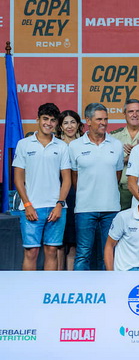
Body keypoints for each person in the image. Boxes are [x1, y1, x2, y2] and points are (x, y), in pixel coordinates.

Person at [13, 103, 71, 271]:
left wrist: (59, 204)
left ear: (57, 123)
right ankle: (28, 288)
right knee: (31, 252)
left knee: (52, 251)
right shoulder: (24, 144)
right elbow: (18, 179)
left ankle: (48, 287)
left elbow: (67, 180)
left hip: (56, 208)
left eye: (53, 120)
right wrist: (27, 204)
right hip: (31, 207)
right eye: (45, 119)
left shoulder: (62, 146)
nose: (48, 123)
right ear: (37, 119)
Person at [69, 103, 124, 270]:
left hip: (111, 209)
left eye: (106, 119)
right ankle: (80, 285)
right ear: (88, 121)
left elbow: (117, 175)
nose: (104, 123)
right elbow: (75, 178)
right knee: (83, 253)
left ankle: (107, 286)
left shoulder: (116, 145)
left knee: (107, 253)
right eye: (99, 119)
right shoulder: (75, 146)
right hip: (85, 209)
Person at [56, 109, 83, 270]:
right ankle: (58, 278)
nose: (69, 126)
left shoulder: (84, 144)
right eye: (65, 123)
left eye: (73, 122)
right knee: (58, 244)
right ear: (60, 126)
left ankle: (72, 279)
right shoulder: (55, 145)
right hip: (58, 195)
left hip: (79, 196)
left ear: (78, 125)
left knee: (73, 244)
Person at [110, 99, 139, 211]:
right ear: (124, 114)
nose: (135, 115)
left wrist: (138, 155)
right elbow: (106, 164)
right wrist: (126, 159)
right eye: (131, 111)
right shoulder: (113, 137)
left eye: (138, 111)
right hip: (120, 190)